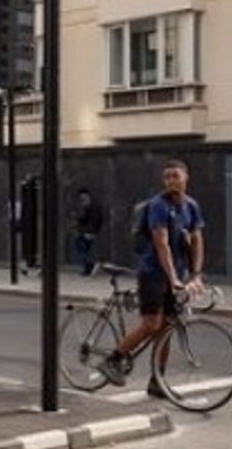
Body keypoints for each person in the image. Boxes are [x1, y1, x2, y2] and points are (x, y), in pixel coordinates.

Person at [98, 159, 206, 398]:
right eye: (166, 177)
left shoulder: (191, 206)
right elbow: (161, 244)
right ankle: (113, 359)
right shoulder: (158, 205)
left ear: (186, 177)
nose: (170, 181)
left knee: (167, 327)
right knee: (152, 324)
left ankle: (158, 381)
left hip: (174, 273)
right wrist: (174, 279)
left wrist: (197, 274)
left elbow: (197, 240)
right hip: (152, 273)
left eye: (175, 176)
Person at [71, 188, 103, 276]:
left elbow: (95, 220)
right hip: (85, 231)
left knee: (85, 250)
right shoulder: (87, 205)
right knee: (84, 250)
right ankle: (88, 267)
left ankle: (89, 267)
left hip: (88, 231)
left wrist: (92, 231)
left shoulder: (92, 206)